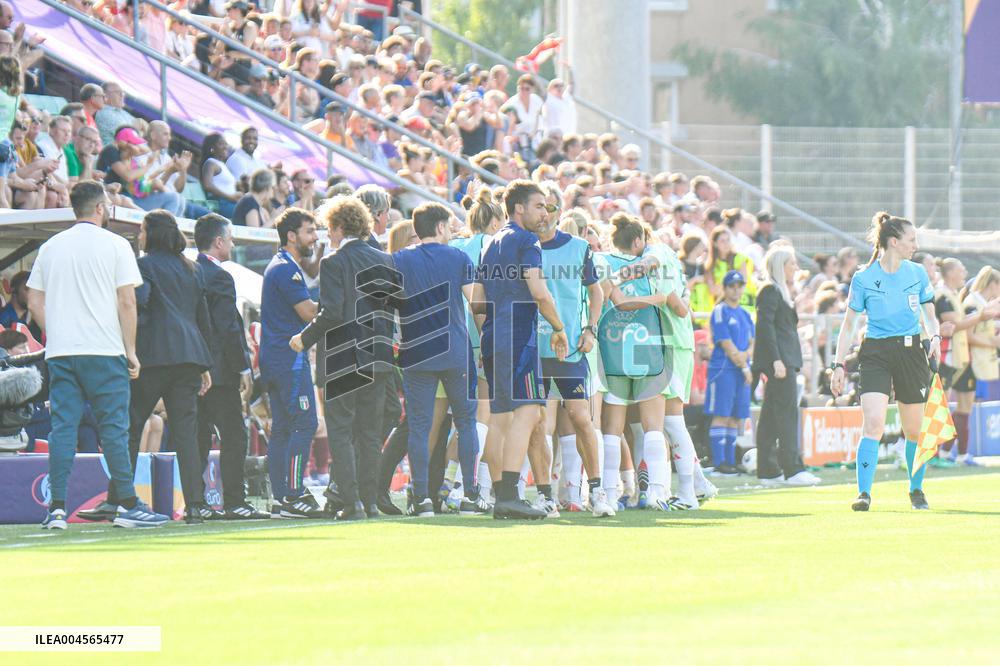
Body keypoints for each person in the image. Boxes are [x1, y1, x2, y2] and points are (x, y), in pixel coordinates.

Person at [26, 180, 169, 529]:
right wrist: (131, 350)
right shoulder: (116, 245)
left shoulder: (51, 246)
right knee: (114, 431)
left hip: (63, 353)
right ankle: (128, 505)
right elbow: (126, 300)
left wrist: (58, 334)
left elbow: (33, 300)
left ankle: (56, 507)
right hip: (105, 351)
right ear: (101, 208)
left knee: (63, 429)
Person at [291, 197, 397, 520]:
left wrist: (303, 338)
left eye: (329, 228)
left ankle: (351, 503)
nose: (328, 234)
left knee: (340, 429)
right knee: (369, 432)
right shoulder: (385, 260)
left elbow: (331, 313)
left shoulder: (334, 262)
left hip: (342, 356)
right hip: (377, 356)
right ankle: (371, 501)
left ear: (338, 227)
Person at [108, 210, 215, 524]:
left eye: (141, 231)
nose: (139, 236)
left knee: (131, 424)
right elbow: (202, 319)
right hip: (189, 357)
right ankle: (196, 504)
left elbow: (137, 305)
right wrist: (204, 364)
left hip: (154, 356)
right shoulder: (193, 269)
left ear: (150, 234)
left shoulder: (143, 266)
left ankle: (119, 497)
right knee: (186, 432)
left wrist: (130, 346)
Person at [831, 212, 941, 512]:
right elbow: (849, 324)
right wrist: (838, 364)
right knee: (874, 424)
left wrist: (935, 337)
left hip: (910, 352)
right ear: (894, 242)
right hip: (876, 353)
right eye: (911, 240)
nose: (915, 245)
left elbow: (930, 314)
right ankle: (864, 493)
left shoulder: (917, 273)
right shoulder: (864, 278)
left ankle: (916, 489)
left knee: (914, 429)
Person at [476, 179, 569, 520]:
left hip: (493, 334)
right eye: (539, 205)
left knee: (500, 417)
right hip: (518, 334)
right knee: (528, 412)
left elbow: (478, 300)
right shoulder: (527, 240)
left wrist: (489, 334)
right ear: (519, 208)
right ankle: (511, 495)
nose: (545, 212)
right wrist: (559, 329)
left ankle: (502, 495)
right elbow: (539, 291)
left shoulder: (491, 243)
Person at [389, 202, 487, 516]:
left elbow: (387, 302)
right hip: (455, 351)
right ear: (441, 227)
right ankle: (470, 496)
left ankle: (421, 499)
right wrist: (485, 342)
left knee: (419, 427)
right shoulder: (457, 257)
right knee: (466, 422)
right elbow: (477, 304)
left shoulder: (400, 259)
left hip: (416, 351)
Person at [533, 188, 615, 518]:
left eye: (549, 206)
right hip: (533, 349)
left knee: (582, 418)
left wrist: (590, 328)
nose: (544, 213)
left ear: (557, 211)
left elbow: (596, 292)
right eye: (539, 207)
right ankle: (544, 495)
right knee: (539, 423)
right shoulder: (523, 248)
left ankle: (597, 491)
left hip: (570, 352)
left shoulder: (579, 248)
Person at [194, 214, 268, 519]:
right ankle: (235, 501)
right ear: (219, 241)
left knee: (196, 437)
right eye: (231, 238)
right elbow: (226, 327)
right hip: (221, 372)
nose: (234, 243)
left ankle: (195, 503)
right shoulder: (220, 277)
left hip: (193, 367)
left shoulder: (190, 272)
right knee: (234, 435)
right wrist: (243, 368)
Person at [260, 208, 322, 518]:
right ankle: (294, 494)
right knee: (305, 422)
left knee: (283, 428)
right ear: (291, 236)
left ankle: (281, 498)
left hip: (276, 357)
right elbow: (309, 313)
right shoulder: (286, 269)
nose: (315, 237)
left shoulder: (282, 266)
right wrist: (334, 300)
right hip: (289, 359)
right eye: (310, 231)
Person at [752, 245, 820, 486]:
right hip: (781, 361)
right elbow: (765, 328)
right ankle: (792, 469)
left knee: (771, 415)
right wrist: (776, 360)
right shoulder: (770, 290)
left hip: (785, 359)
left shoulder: (779, 292)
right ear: (781, 266)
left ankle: (768, 470)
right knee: (787, 413)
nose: (795, 267)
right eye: (791, 263)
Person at [705, 270, 755, 475]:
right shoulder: (720, 311)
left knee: (736, 417)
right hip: (724, 369)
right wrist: (743, 365)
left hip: (741, 372)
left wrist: (746, 359)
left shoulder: (745, 313)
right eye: (732, 286)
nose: (736, 290)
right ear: (725, 289)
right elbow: (725, 342)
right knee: (721, 414)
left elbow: (752, 341)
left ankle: (730, 459)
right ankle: (720, 460)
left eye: (739, 285)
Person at [200, 132, 240, 218]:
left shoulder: (222, 164)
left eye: (226, 144)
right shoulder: (211, 163)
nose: (226, 146)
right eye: (221, 144)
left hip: (229, 202)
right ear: (212, 148)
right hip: (220, 203)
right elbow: (208, 185)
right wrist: (230, 197)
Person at [0, 270, 42, 341]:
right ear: (14, 290)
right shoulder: (3, 318)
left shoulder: (33, 319)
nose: (32, 294)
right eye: (27, 289)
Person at [94, 81, 136, 147]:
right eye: (117, 92)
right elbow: (129, 137)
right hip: (114, 155)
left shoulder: (122, 112)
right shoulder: (105, 114)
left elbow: (144, 127)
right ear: (105, 96)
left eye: (122, 92)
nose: (122, 95)